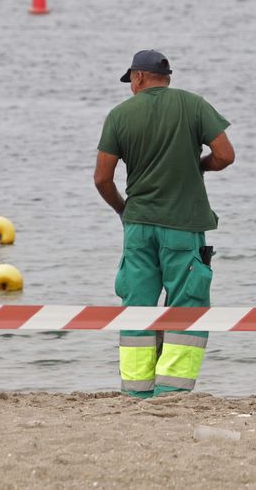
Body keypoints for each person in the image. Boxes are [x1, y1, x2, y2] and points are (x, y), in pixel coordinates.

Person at [94, 49, 234, 397]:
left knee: (137, 305)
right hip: (183, 224)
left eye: (131, 82)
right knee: (187, 304)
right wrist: (200, 165)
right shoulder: (194, 105)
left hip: (139, 224)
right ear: (166, 77)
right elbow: (226, 155)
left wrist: (123, 210)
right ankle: (171, 390)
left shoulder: (119, 116)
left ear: (138, 78)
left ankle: (136, 390)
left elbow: (102, 179)